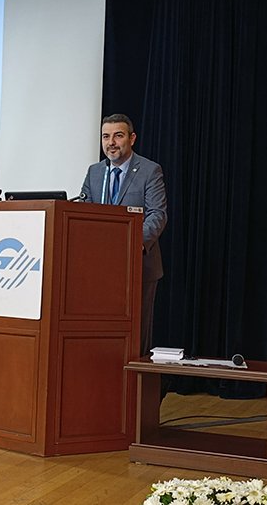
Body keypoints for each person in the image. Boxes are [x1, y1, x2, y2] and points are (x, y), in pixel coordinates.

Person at [80, 114, 167, 354]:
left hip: (139, 265)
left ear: (132, 138)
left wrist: (132, 245)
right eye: (105, 137)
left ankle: (134, 379)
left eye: (118, 136)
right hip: (99, 268)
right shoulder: (95, 172)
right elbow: (83, 211)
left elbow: (157, 214)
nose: (111, 143)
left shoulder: (150, 170)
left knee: (136, 335)